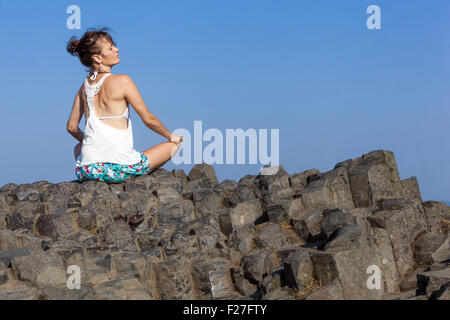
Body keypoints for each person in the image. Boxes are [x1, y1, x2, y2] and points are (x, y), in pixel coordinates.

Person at [66, 27, 183, 185]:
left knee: (78, 147)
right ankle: (140, 174)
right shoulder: (123, 81)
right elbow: (148, 119)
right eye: (110, 48)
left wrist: (88, 141)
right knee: (176, 144)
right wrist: (170, 136)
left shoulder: (83, 88)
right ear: (98, 58)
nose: (117, 49)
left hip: (87, 170)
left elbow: (72, 127)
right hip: (119, 170)